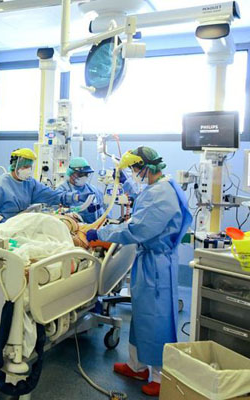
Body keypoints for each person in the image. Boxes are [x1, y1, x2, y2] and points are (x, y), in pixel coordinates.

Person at [85, 146, 192, 397]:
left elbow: (138, 228)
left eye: (134, 169)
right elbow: (144, 199)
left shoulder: (162, 195)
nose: (134, 174)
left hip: (157, 266)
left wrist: (101, 233)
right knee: (142, 315)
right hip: (149, 261)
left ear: (145, 168)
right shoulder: (160, 186)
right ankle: (137, 366)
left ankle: (160, 376)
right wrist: (124, 183)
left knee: (157, 319)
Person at [0, 148, 89, 223]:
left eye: (30, 167)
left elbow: (52, 195)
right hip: (3, 228)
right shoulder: (1, 184)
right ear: (15, 166)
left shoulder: (30, 183)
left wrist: (75, 197)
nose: (28, 170)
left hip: (20, 225)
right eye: (25, 167)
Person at [59, 157, 104, 223]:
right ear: (71, 173)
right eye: (81, 174)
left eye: (86, 174)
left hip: (94, 227)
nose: (84, 177)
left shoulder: (92, 189)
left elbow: (103, 209)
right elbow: (57, 214)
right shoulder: (62, 191)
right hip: (72, 228)